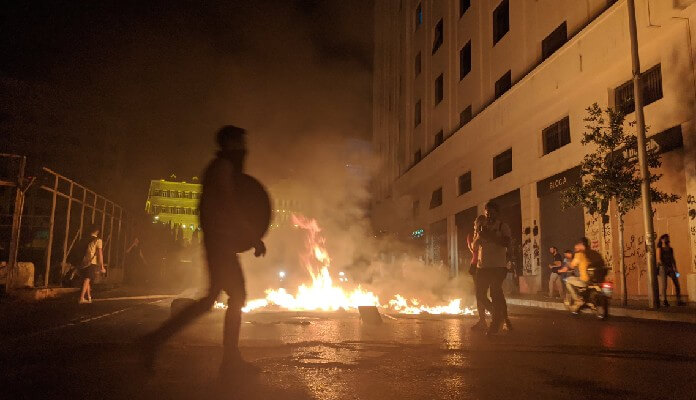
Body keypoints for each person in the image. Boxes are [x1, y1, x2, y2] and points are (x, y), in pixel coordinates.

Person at [140, 125, 267, 376]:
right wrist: (253, 237)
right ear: (230, 143)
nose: (244, 148)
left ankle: (154, 341)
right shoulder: (222, 168)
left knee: (212, 299)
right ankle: (229, 360)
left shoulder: (218, 168)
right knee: (236, 296)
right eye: (241, 142)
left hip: (219, 242)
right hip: (220, 243)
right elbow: (230, 206)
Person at [474, 201, 512, 335]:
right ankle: (498, 315)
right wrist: (478, 236)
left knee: (495, 293)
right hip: (483, 266)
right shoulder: (482, 227)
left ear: (497, 212)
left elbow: (506, 243)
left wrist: (489, 236)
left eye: (491, 212)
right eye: (486, 212)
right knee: (480, 295)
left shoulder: (502, 226)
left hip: (497, 266)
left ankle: (495, 324)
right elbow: (475, 246)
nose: (489, 214)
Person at [566, 237, 604, 313]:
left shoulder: (579, 254)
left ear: (582, 245)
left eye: (579, 244)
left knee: (568, 281)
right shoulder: (595, 253)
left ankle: (578, 300)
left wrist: (568, 263)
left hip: (585, 280)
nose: (577, 246)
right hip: (597, 279)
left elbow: (572, 266)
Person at [468, 215, 493, 331]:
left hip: (484, 265)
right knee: (480, 295)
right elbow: (474, 248)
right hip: (477, 265)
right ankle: (483, 320)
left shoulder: (485, 234)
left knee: (481, 295)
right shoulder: (476, 235)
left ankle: (495, 314)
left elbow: (475, 248)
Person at [77, 224, 105, 304]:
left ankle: (89, 297)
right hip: (91, 262)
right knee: (87, 279)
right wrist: (102, 266)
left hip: (83, 261)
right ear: (97, 231)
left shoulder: (84, 239)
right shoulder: (98, 240)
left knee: (87, 279)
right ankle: (81, 298)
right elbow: (100, 253)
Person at [656, 234, 685, 306]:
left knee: (677, 283)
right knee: (664, 285)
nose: (666, 239)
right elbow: (659, 260)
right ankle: (664, 301)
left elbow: (673, 259)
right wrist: (666, 267)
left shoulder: (670, 249)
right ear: (662, 240)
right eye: (665, 238)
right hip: (662, 268)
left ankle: (679, 300)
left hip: (670, 268)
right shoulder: (659, 248)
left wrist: (675, 269)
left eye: (667, 238)